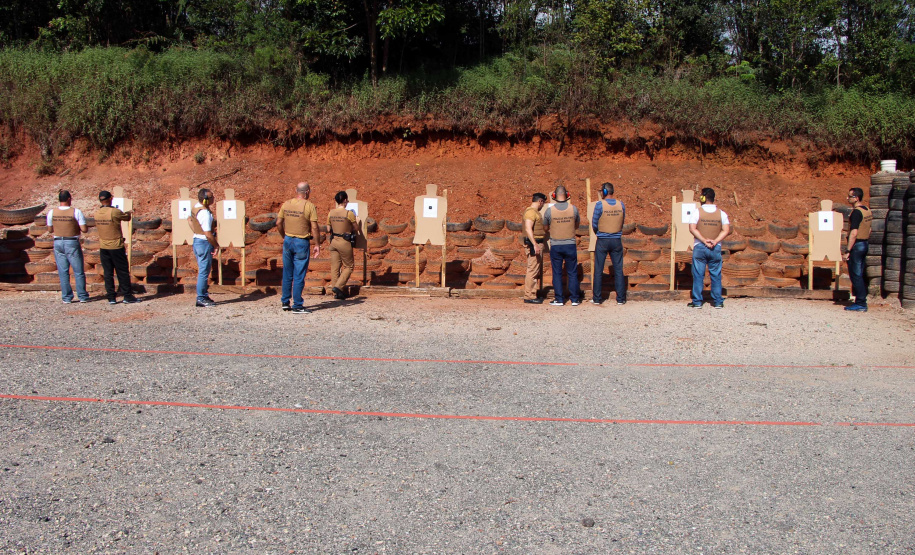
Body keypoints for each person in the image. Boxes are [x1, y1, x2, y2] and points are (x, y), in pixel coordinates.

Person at [277, 182, 320, 314]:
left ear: (297, 190)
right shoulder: (309, 206)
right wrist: (317, 244)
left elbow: (278, 222)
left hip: (288, 240)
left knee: (287, 273)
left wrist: (284, 236)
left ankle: (285, 302)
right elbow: (314, 227)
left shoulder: (286, 204)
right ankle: (297, 305)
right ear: (307, 192)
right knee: (299, 275)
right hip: (302, 241)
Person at [687, 187, 730, 309]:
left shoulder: (697, 212)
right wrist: (715, 241)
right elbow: (726, 230)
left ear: (703, 198)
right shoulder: (722, 213)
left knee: (698, 275)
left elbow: (692, 228)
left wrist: (703, 240)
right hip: (715, 248)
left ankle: (697, 302)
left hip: (700, 247)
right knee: (716, 275)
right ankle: (717, 302)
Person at [94, 190, 139, 304]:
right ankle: (127, 296)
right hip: (116, 246)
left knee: (108, 273)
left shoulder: (97, 213)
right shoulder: (114, 212)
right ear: (110, 199)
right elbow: (126, 217)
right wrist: (129, 212)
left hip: (103, 247)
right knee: (122, 272)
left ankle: (111, 297)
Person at [48, 190, 90, 303]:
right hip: (71, 241)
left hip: (57, 241)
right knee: (78, 271)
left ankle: (66, 297)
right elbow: (84, 229)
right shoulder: (76, 212)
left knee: (63, 271)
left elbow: (50, 229)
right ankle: (82, 296)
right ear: (68, 199)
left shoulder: (52, 212)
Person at [542, 186, 582, 306]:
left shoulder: (549, 211)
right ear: (567, 195)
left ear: (554, 196)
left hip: (556, 245)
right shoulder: (573, 209)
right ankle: (574, 299)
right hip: (570, 244)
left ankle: (559, 299)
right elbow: (577, 225)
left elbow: (545, 227)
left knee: (557, 272)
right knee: (573, 272)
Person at [591, 182, 626, 305]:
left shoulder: (600, 205)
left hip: (602, 240)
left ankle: (597, 298)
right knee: (618, 270)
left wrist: (599, 233)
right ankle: (621, 299)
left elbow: (594, 223)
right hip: (616, 240)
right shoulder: (621, 205)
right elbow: (622, 221)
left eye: (601, 191)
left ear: (604, 192)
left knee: (598, 269)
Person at [844, 187, 872, 312]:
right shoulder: (867, 210)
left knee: (856, 275)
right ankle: (860, 301)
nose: (847, 198)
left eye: (850, 196)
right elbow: (869, 229)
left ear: (856, 198)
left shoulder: (856, 212)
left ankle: (861, 303)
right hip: (865, 243)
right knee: (859, 273)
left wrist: (848, 250)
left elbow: (854, 233)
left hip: (857, 245)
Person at [189, 188, 218, 307]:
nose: (213, 199)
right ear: (205, 200)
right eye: (211, 197)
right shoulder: (205, 213)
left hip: (197, 239)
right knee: (203, 272)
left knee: (203, 270)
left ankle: (204, 295)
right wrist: (216, 245)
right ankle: (201, 298)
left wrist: (197, 232)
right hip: (204, 242)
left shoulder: (196, 207)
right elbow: (208, 234)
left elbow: (189, 221)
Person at [327, 190, 358, 300]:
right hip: (344, 242)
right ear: (345, 200)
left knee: (335, 268)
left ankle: (336, 294)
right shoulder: (348, 213)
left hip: (334, 242)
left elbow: (328, 229)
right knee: (349, 266)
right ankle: (338, 287)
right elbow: (356, 228)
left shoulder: (331, 213)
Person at [522, 192, 547, 304]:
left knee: (534, 269)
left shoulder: (533, 212)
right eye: (543, 203)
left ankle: (532, 294)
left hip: (535, 243)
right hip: (534, 244)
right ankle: (529, 296)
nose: (543, 205)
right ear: (540, 201)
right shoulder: (531, 212)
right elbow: (528, 229)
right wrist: (535, 244)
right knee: (532, 270)